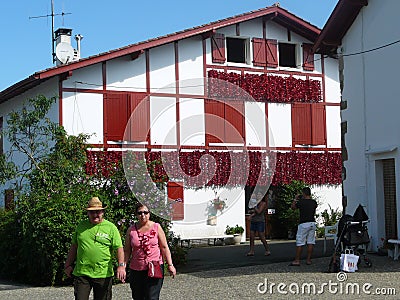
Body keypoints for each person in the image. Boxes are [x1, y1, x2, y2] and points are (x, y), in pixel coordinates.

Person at [64, 197, 126, 300]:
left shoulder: (111, 227)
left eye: (98, 212)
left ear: (103, 212)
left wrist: (121, 266)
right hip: (82, 273)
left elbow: (119, 248)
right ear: (88, 213)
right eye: (92, 212)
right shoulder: (81, 226)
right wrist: (67, 265)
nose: (95, 215)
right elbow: (74, 246)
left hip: (103, 274)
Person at [124, 204, 176, 300]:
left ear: (149, 214)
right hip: (136, 269)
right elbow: (127, 251)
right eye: (140, 213)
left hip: (154, 267)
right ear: (136, 215)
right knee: (137, 296)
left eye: (145, 212)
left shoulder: (156, 227)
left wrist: (170, 264)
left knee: (152, 297)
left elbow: (164, 247)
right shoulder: (131, 230)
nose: (143, 215)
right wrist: (123, 266)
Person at [289, 187, 318, 266]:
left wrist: (295, 199)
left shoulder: (301, 202)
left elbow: (293, 207)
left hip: (303, 223)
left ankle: (297, 260)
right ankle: (308, 260)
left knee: (300, 242)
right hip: (312, 223)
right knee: (310, 242)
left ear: (304, 193)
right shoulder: (313, 202)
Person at [247, 192, 271, 256]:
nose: (258, 196)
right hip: (254, 221)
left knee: (261, 236)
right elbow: (250, 211)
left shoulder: (263, 203)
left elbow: (259, 212)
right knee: (252, 236)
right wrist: (252, 212)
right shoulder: (255, 203)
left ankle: (267, 250)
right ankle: (251, 251)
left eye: (260, 195)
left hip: (260, 221)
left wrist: (254, 208)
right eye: (258, 195)